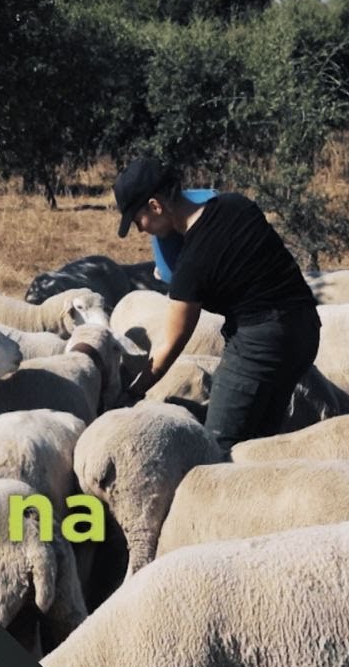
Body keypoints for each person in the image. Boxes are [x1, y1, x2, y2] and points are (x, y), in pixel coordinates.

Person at [115, 157, 321, 449]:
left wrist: (134, 391)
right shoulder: (237, 204)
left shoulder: (191, 265)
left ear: (155, 206)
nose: (140, 230)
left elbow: (171, 343)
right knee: (261, 441)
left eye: (138, 220)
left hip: (260, 342)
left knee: (218, 446)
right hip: (306, 327)